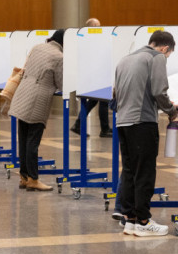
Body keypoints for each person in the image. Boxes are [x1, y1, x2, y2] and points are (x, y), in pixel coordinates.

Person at [114, 30, 177, 237]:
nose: (166, 58)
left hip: (123, 122)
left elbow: (116, 93)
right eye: (168, 55)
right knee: (146, 172)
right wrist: (172, 110)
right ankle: (143, 221)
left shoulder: (126, 59)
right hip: (142, 122)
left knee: (131, 171)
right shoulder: (156, 57)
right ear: (165, 48)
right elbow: (160, 91)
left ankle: (131, 220)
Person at [9, 29, 64, 192]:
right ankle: (34, 179)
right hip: (37, 100)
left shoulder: (37, 47)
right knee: (33, 141)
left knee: (24, 139)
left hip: (22, 94)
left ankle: (24, 177)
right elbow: (60, 82)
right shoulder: (59, 56)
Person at [70, 18, 113, 138]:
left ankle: (78, 124)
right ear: (92, 27)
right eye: (98, 26)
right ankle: (104, 129)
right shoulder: (93, 40)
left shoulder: (85, 40)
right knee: (104, 102)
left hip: (92, 76)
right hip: (99, 75)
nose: (100, 28)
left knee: (92, 102)